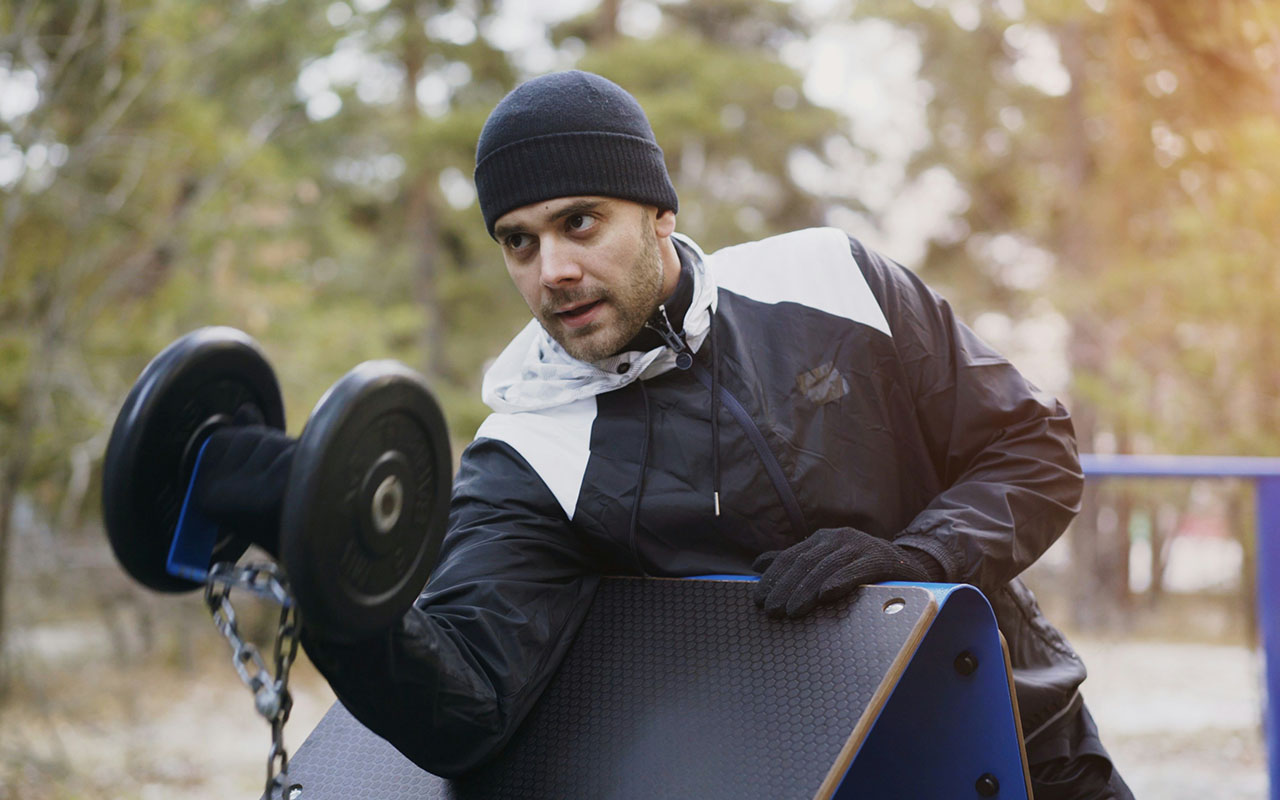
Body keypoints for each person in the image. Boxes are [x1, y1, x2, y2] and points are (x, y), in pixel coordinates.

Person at [197, 70, 1132, 798]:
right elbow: (463, 704)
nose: (552, 269)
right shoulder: (533, 447)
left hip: (1021, 738)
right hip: (809, 780)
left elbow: (1035, 451)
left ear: (659, 213)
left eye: (580, 222)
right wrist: (326, 559)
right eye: (518, 242)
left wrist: (912, 555)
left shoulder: (833, 279)